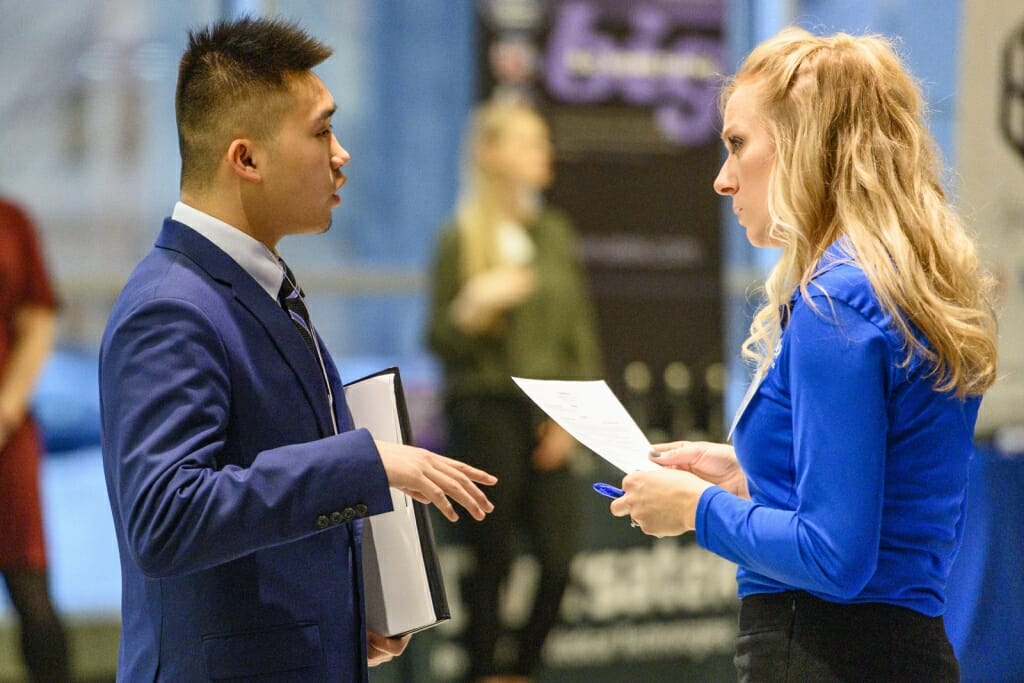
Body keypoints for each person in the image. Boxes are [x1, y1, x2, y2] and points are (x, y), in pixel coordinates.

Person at [99, 17, 496, 683]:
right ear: (246, 159)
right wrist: (365, 463)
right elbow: (166, 516)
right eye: (320, 131)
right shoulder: (172, 306)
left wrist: (343, 610)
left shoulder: (257, 286)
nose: (342, 154)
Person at [607, 27, 999, 682]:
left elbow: (835, 556)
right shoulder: (895, 288)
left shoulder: (836, 304)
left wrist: (695, 509)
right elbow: (882, 492)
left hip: (824, 654)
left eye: (737, 144)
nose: (722, 179)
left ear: (805, 144)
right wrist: (748, 477)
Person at [426, 100, 602, 683]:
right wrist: (472, 308)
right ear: (490, 153)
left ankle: (519, 670)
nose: (544, 155)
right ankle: (482, 670)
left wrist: (572, 418)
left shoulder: (554, 234)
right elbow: (438, 339)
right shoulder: (461, 238)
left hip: (548, 410)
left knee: (558, 558)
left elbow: (579, 334)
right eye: (529, 143)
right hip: (484, 411)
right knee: (491, 556)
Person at [0, 197, 70, 683]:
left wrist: (4, 410)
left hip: (6, 438)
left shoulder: (12, 222)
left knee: (32, 592)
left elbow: (39, 320)